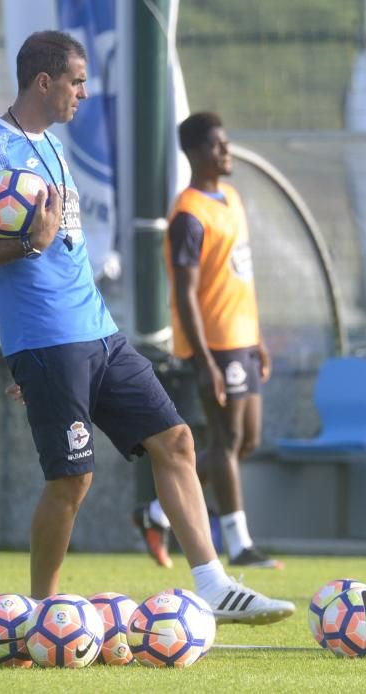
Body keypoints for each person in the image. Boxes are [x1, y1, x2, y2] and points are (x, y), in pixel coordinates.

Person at [0, 30, 294, 625]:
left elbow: (66, 246)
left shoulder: (52, 146)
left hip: (100, 333)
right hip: (49, 341)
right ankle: (41, 613)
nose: (84, 93)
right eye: (77, 82)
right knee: (73, 480)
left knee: (178, 440)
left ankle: (212, 582)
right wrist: (28, 247)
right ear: (45, 81)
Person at [132, 112, 282, 570]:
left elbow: (239, 277)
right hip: (213, 343)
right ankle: (239, 544)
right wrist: (204, 359)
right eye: (217, 146)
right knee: (226, 438)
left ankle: (156, 512)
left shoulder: (230, 199)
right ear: (195, 153)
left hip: (241, 339)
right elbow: (185, 292)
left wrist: (256, 338)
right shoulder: (189, 216)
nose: (226, 152)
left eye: (226, 143)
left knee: (245, 441)